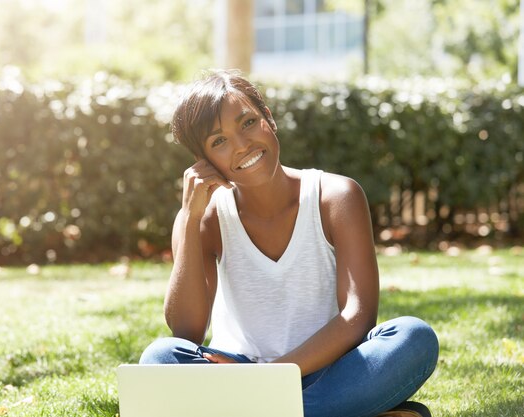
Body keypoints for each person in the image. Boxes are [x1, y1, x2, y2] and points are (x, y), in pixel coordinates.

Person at [139, 69, 439, 417]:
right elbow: (186, 330)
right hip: (235, 371)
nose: (242, 145)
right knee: (160, 358)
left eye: (248, 122)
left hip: (328, 372)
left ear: (269, 118)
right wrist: (190, 220)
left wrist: (268, 380)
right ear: (204, 162)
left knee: (413, 337)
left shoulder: (336, 196)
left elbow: (358, 317)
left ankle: (257, 410)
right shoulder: (204, 219)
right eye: (218, 141)